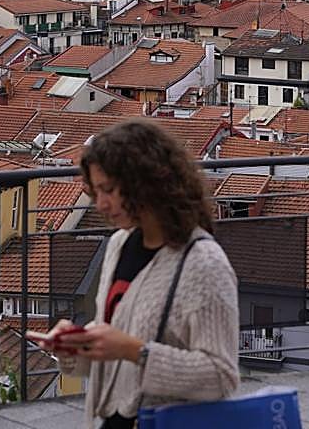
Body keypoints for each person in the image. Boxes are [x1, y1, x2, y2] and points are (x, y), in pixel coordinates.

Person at [34, 118, 240, 429]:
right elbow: (113, 361)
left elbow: (221, 377)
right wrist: (77, 346)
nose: (100, 204)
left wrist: (135, 351)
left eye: (110, 190)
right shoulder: (119, 243)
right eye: (96, 191)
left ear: (147, 183)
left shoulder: (204, 265)